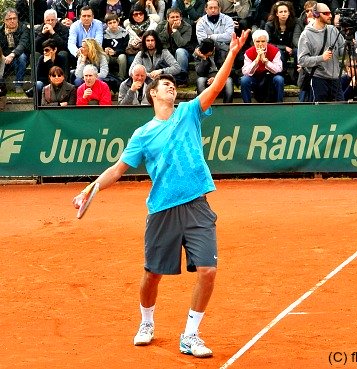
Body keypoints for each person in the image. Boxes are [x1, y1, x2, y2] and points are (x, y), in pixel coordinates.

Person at [72, 28, 250, 358]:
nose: (171, 87)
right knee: (152, 274)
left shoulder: (189, 112)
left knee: (208, 272)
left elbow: (212, 88)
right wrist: (91, 187)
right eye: (165, 86)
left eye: (173, 85)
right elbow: (117, 169)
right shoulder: (142, 134)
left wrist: (232, 55)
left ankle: (191, 334)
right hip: (162, 210)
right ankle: (146, 322)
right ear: (153, 94)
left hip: (197, 203)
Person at [297, 2, 345, 102]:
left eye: (330, 13)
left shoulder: (333, 29)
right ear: (316, 14)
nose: (330, 16)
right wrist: (321, 58)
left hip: (335, 78)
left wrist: (349, 48)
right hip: (317, 78)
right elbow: (302, 60)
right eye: (326, 13)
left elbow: (341, 49)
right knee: (319, 111)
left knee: (340, 108)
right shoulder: (306, 34)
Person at [240, 29, 284, 103]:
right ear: (254, 42)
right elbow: (245, 72)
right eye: (257, 41)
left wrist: (266, 62)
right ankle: (247, 105)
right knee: (244, 80)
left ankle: (279, 103)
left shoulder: (275, 51)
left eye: (263, 41)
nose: (260, 44)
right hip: (254, 77)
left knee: (279, 79)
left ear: (267, 41)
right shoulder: (248, 52)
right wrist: (256, 61)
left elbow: (279, 69)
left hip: (270, 77)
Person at [156, 8, 194, 86]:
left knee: (180, 51)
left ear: (181, 18)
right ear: (167, 19)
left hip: (184, 52)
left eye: (177, 17)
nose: (175, 19)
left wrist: (175, 31)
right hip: (168, 51)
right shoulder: (161, 26)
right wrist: (168, 31)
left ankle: (182, 79)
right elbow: (159, 41)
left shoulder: (187, 27)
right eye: (172, 17)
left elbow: (181, 44)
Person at [265, 1, 298, 84]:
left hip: (291, 48)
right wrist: (284, 48)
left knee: (298, 51)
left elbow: (296, 38)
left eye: (285, 11)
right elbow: (268, 43)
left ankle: (296, 77)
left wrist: (292, 49)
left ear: (289, 13)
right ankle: (281, 77)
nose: (283, 14)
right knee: (279, 53)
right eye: (281, 12)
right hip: (276, 49)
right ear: (276, 14)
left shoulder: (295, 23)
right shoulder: (269, 25)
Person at [196, 0, 235, 68]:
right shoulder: (201, 22)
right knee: (201, 78)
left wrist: (211, 37)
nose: (213, 10)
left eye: (215, 7)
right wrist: (221, 39)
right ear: (206, 9)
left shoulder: (228, 19)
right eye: (210, 8)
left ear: (219, 9)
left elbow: (230, 36)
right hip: (208, 51)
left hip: (225, 52)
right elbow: (202, 40)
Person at [194, 38, 234, 103]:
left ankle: (227, 108)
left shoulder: (223, 51)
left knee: (229, 81)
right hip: (207, 78)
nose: (206, 55)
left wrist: (216, 78)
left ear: (213, 49)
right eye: (205, 54)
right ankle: (203, 107)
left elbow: (229, 70)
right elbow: (200, 73)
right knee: (200, 80)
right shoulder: (198, 53)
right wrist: (204, 59)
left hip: (222, 77)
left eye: (208, 54)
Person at [0, 8, 30, 93]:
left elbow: (23, 44)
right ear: (4, 20)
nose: (12, 21)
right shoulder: (1, 30)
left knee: (21, 57)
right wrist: (2, 56)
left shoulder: (24, 28)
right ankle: (1, 85)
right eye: (9, 19)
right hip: (5, 58)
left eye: (14, 18)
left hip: (21, 56)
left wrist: (13, 54)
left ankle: (18, 85)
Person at [103, 13, 130, 81]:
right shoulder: (104, 34)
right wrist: (105, 49)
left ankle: (121, 78)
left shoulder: (124, 33)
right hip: (108, 55)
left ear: (118, 22)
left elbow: (125, 49)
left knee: (122, 57)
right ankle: (106, 77)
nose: (113, 25)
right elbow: (102, 46)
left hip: (119, 55)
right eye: (110, 23)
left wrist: (115, 52)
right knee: (103, 56)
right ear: (107, 24)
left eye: (114, 22)